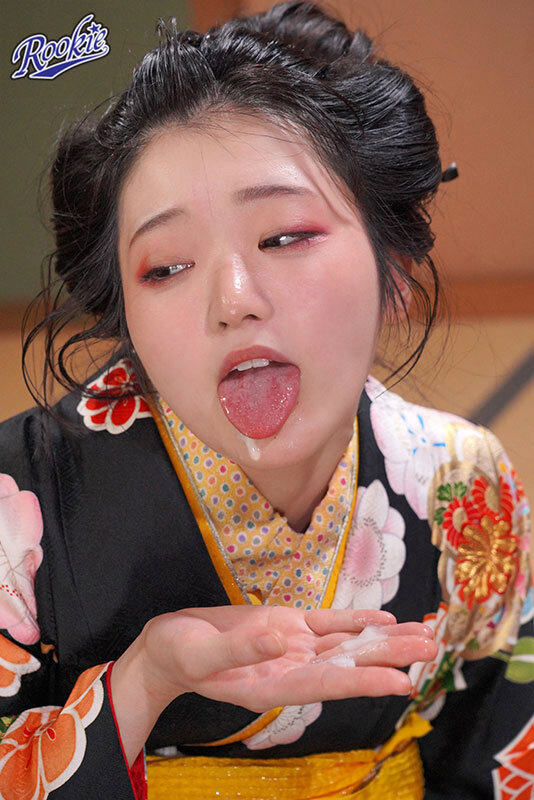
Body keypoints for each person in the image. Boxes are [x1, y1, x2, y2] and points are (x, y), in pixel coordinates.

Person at [0, 2, 532, 798]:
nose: (234, 299)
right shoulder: (20, 498)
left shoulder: (461, 481)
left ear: (393, 263)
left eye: (285, 237)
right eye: (166, 267)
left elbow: (502, 758)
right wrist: (143, 681)